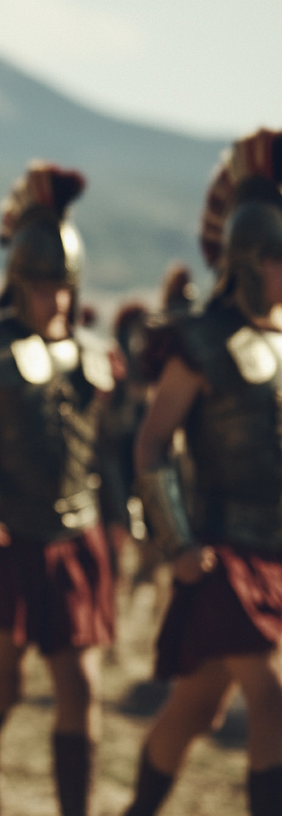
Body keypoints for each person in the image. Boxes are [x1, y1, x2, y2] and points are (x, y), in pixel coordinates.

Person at [0, 162, 120, 816]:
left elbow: (103, 449)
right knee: (8, 681)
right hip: (11, 536)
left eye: (65, 287)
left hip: (76, 535)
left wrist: (123, 515)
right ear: (20, 283)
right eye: (45, 286)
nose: (58, 301)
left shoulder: (94, 353)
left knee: (82, 687)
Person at [124, 128, 282, 816]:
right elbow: (152, 446)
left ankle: (137, 811)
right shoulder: (198, 341)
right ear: (248, 258)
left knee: (197, 707)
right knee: (272, 693)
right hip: (224, 555)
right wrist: (178, 544)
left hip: (276, 552)